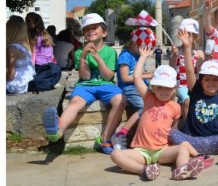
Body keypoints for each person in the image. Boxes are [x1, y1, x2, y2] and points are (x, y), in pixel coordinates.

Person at [110, 48, 210, 181]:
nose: (163, 91)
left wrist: (178, 146)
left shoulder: (176, 107)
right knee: (116, 155)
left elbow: (173, 131)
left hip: (162, 151)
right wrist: (143, 56)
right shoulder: (148, 97)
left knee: (183, 148)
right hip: (141, 151)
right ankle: (144, 170)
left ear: (174, 89)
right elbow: (136, 77)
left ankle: (182, 168)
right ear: (153, 88)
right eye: (159, 87)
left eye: (167, 88)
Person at [42, 13, 125, 154]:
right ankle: (58, 130)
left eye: (94, 27)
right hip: (85, 86)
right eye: (87, 29)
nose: (91, 30)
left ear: (104, 32)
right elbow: (85, 77)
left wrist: (98, 58)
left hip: (106, 85)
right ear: (84, 34)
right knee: (75, 102)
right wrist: (84, 57)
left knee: (120, 100)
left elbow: (108, 76)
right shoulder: (79, 52)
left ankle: (105, 138)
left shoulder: (110, 52)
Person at [169, 30, 218, 167]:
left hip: (216, 141)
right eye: (208, 79)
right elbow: (189, 70)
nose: (212, 83)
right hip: (193, 140)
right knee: (172, 133)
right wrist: (187, 47)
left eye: (215, 80)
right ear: (201, 81)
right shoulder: (195, 91)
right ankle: (198, 156)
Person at [111, 27, 156, 150]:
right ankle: (121, 134)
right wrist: (147, 75)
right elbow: (125, 77)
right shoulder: (125, 55)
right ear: (134, 43)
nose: (146, 51)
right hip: (130, 88)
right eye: (144, 47)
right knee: (144, 107)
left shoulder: (138, 55)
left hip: (141, 87)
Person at [170, 18, 205, 124]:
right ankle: (186, 124)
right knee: (187, 100)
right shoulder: (177, 50)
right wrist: (174, 56)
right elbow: (171, 67)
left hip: (194, 84)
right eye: (185, 33)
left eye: (190, 34)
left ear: (196, 36)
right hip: (181, 85)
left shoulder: (198, 52)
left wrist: (202, 59)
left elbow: (201, 71)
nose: (187, 37)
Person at [6, 16, 35, 94]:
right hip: (27, 80)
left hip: (17, 85)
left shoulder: (12, 48)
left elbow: (11, 75)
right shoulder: (24, 46)